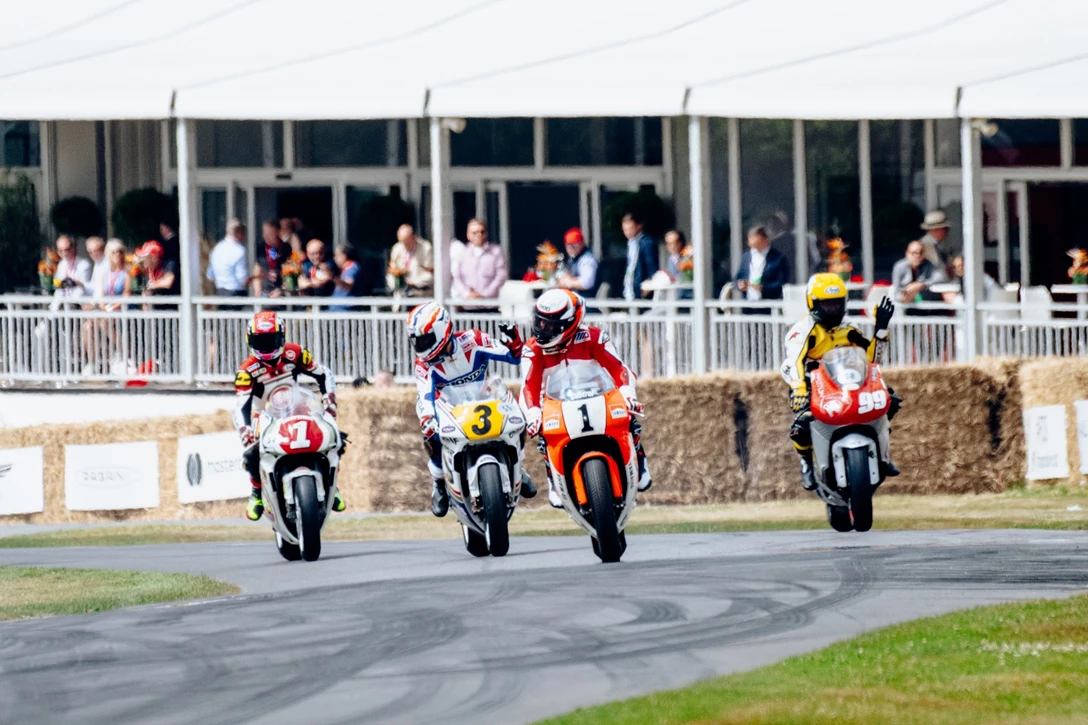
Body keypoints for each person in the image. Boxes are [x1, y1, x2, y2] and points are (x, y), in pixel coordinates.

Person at [519, 289, 652, 508]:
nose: (543, 329)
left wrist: (628, 395)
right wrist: (533, 414)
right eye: (540, 323)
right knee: (544, 434)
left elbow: (619, 368)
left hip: (598, 396)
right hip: (556, 403)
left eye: (551, 325)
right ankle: (553, 476)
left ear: (570, 323)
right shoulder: (532, 349)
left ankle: (639, 460)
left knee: (629, 419)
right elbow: (529, 386)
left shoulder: (594, 336)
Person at [406, 301, 536, 517]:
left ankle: (519, 467)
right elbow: (426, 394)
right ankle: (438, 482)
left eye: (425, 339)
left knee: (517, 417)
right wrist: (428, 418)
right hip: (447, 407)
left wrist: (514, 341)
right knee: (429, 434)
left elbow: (513, 357)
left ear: (442, 330)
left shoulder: (473, 340)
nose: (420, 346)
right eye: (417, 341)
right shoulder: (423, 363)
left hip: (482, 397)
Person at [780, 273, 899, 491]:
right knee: (801, 426)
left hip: (847, 383)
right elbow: (793, 362)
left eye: (837, 305)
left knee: (889, 401)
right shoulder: (802, 332)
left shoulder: (849, 328)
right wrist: (798, 389)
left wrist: (880, 330)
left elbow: (872, 361)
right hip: (813, 387)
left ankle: (883, 455)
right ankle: (806, 463)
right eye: (827, 305)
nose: (833, 310)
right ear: (812, 304)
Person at [232, 310, 344, 521]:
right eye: (261, 340)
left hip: (297, 407)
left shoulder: (294, 353)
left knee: (335, 438)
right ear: (250, 341)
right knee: (251, 454)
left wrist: (329, 399)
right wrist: (245, 430)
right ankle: (256, 493)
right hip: (264, 415)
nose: (266, 346)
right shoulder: (247, 371)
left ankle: (332, 485)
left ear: (281, 337)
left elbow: (323, 373)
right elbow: (240, 406)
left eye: (271, 339)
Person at [453, 218, 507, 305]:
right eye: (474, 232)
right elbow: (457, 277)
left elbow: (501, 276)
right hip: (468, 305)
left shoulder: (495, 252)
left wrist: (484, 294)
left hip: (489, 305)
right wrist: (467, 294)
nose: (479, 235)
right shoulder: (463, 253)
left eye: (482, 232)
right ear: (468, 235)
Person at [735, 226, 791, 311]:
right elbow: (737, 277)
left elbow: (782, 284)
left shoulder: (778, 259)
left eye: (756, 243)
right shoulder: (746, 256)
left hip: (768, 308)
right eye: (751, 244)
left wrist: (763, 288)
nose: (753, 247)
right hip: (748, 307)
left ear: (765, 240)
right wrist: (740, 285)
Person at [891, 240, 948, 305]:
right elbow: (896, 291)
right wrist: (906, 296)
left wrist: (920, 284)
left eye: (920, 253)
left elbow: (941, 277)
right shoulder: (899, 267)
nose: (917, 256)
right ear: (907, 254)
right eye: (913, 253)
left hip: (924, 300)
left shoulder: (928, 264)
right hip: (904, 302)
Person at [206, 218, 250, 298]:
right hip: (236, 294)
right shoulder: (239, 250)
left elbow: (210, 276)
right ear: (239, 233)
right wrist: (257, 276)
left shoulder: (216, 249)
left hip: (220, 293)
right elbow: (243, 280)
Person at [387, 224, 434, 295]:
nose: (404, 245)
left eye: (406, 241)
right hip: (401, 295)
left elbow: (431, 274)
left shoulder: (426, 248)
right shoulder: (397, 248)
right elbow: (391, 271)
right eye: (401, 241)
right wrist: (394, 284)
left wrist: (413, 283)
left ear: (414, 237)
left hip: (421, 294)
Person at [621, 212, 657, 302]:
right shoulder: (630, 243)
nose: (627, 232)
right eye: (625, 230)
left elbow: (651, 265)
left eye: (630, 229)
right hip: (631, 284)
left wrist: (648, 283)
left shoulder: (646, 243)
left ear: (639, 226)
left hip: (642, 286)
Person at [557, 227, 599, 297]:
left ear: (582, 243)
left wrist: (567, 282)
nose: (572, 248)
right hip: (576, 297)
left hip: (587, 300)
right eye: (569, 245)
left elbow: (586, 283)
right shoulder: (573, 258)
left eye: (575, 245)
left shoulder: (587, 260)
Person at [253, 220, 287, 297]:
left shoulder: (286, 248)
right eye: (264, 233)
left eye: (269, 233)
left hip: (280, 292)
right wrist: (257, 289)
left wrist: (281, 290)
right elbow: (257, 270)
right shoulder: (261, 248)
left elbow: (290, 272)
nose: (265, 236)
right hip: (264, 292)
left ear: (278, 232)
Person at [52, 234, 92, 299]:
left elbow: (84, 287)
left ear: (73, 248)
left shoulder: (84, 264)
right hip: (66, 303)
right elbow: (59, 288)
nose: (64, 253)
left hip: (81, 302)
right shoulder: (61, 264)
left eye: (67, 250)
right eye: (60, 251)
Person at [330, 245, 365, 310]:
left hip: (345, 313)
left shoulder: (352, 268)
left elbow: (348, 285)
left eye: (337, 255)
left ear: (344, 255)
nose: (335, 258)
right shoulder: (344, 270)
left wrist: (332, 276)